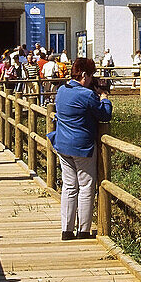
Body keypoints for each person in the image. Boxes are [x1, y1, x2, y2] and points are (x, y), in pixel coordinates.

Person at [48, 57, 112, 240]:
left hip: (62, 144)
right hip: (82, 147)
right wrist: (104, 98)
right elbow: (104, 115)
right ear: (84, 74)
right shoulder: (87, 95)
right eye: (91, 76)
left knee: (69, 186)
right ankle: (83, 230)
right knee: (86, 187)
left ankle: (66, 230)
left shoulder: (61, 90)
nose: (92, 80)